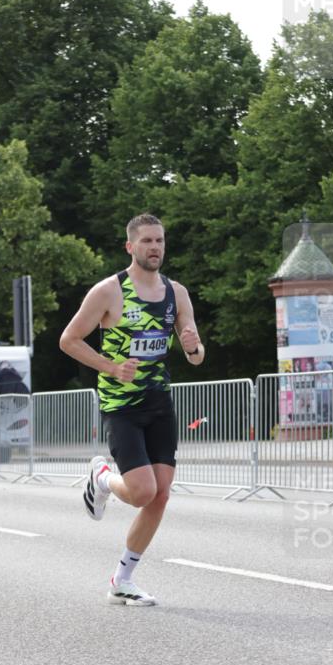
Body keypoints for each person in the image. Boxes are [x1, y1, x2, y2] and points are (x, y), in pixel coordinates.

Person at [59, 213, 204, 606]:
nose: (155, 247)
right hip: (121, 404)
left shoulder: (178, 294)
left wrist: (192, 344)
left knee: (160, 496)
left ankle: (122, 579)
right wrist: (110, 367)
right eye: (146, 241)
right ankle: (103, 478)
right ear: (130, 247)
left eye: (159, 240)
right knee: (141, 492)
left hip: (158, 402)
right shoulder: (109, 292)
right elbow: (68, 340)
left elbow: (195, 357)